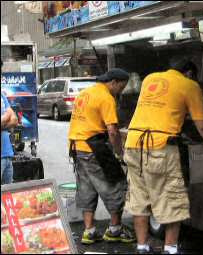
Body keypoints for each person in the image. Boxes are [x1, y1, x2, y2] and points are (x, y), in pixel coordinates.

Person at [124, 59, 203, 254]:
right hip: (160, 146)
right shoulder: (189, 85)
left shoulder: (150, 79)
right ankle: (170, 249)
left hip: (133, 143)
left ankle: (142, 247)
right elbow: (202, 126)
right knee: (171, 197)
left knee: (139, 198)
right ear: (189, 73)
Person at [68, 68, 135, 244]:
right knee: (115, 184)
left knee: (87, 188)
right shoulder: (106, 97)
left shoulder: (85, 93)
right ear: (113, 82)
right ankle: (115, 230)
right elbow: (113, 131)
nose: (121, 91)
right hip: (94, 147)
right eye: (121, 87)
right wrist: (119, 154)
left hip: (77, 147)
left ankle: (89, 232)